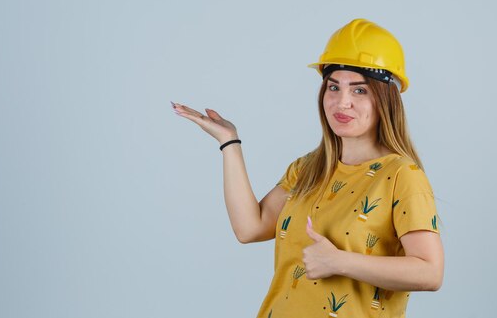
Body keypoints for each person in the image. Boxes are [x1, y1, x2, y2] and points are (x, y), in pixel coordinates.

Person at [172, 18, 444, 318]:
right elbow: (249, 227)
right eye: (333, 87)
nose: (342, 103)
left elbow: (430, 272)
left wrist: (339, 261)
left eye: (360, 91)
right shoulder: (307, 168)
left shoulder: (402, 175)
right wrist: (229, 142)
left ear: (386, 99)